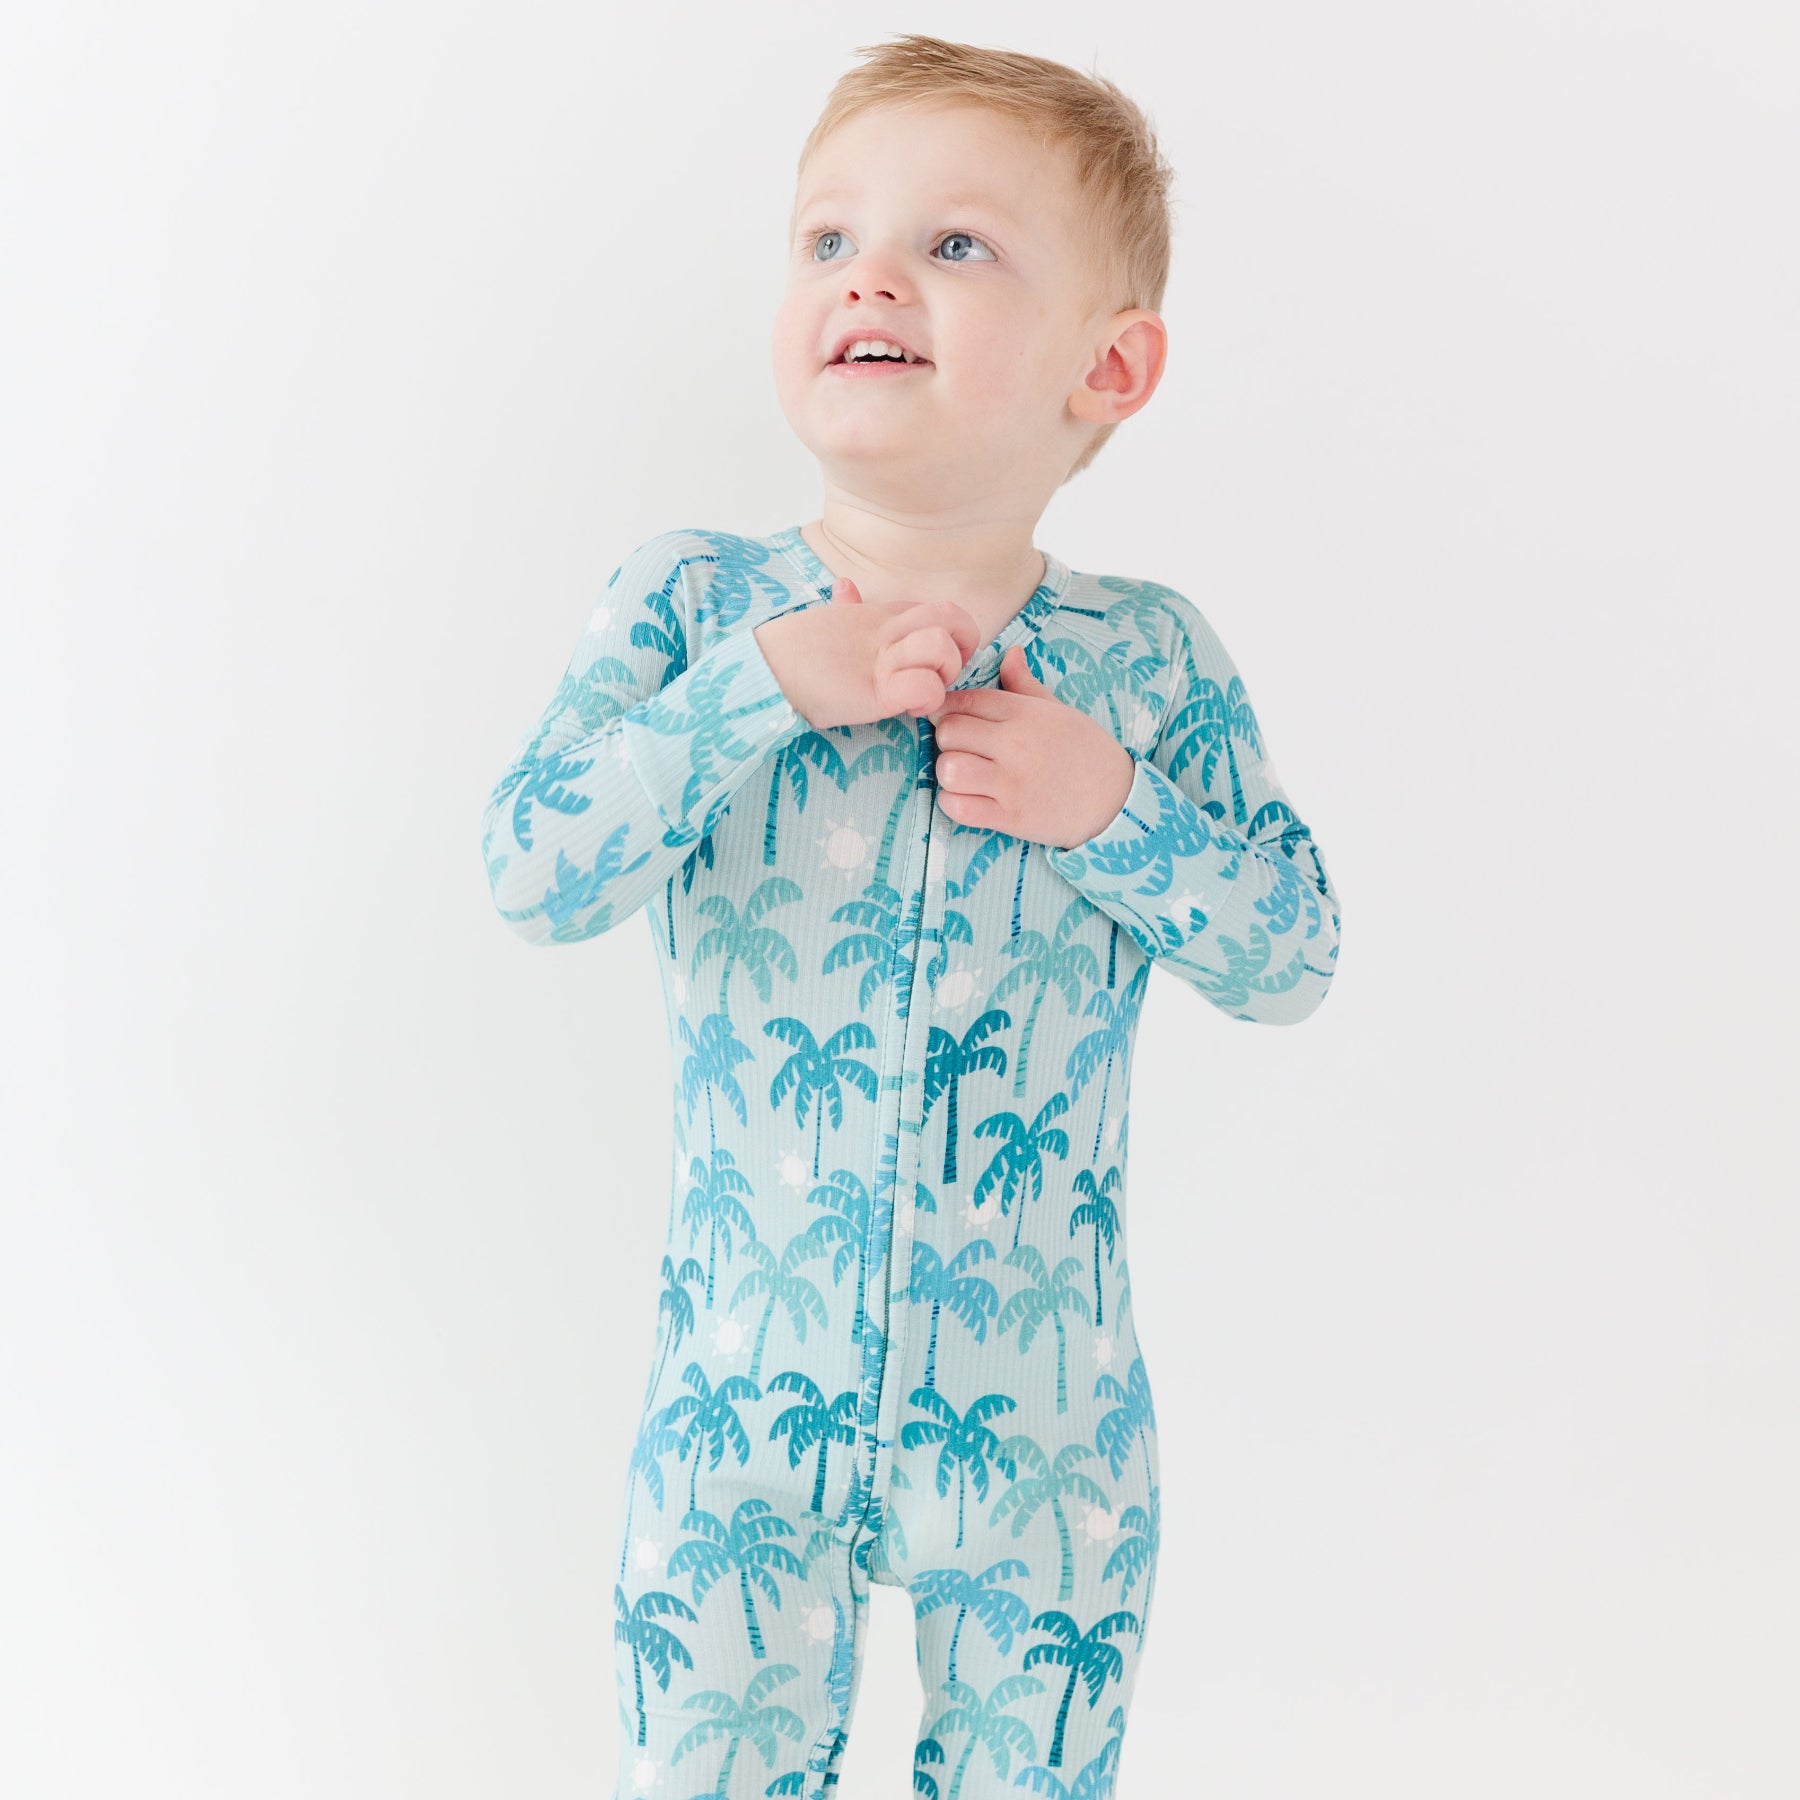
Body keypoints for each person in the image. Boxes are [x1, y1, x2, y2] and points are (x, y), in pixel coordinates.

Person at [480, 33, 1342, 1799]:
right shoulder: (694, 607)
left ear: (1110, 368)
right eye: (827, 238)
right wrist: (758, 690)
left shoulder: (1146, 662)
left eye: (957, 244)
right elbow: (531, 871)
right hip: (735, 1408)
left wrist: (1115, 806)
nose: (868, 271)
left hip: (1048, 1438)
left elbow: (1294, 954)